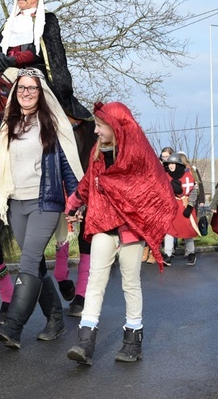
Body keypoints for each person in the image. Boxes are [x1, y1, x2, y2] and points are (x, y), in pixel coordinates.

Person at [0, 68, 84, 349]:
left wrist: (76, 199)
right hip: (14, 203)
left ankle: (13, 327)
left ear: (41, 92)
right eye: (22, 87)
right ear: (15, 91)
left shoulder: (52, 123)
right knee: (35, 266)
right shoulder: (7, 124)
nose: (26, 92)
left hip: (45, 202)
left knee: (28, 262)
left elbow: (67, 165)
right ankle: (56, 319)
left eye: (32, 88)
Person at [64, 102, 174, 366]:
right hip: (103, 224)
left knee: (130, 284)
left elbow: (152, 188)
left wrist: (146, 221)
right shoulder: (97, 154)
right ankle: (85, 342)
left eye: (100, 126)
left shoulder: (139, 155)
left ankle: (132, 339)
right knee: (95, 281)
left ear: (115, 126)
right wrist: (74, 202)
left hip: (130, 230)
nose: (96, 131)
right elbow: (89, 181)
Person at [0, 0, 90, 120]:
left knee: (48, 105)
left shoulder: (47, 20)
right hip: (5, 70)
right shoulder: (10, 22)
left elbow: (40, 51)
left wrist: (14, 60)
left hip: (35, 71)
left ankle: (61, 136)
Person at [162, 153, 200, 266]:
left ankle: (191, 253)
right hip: (171, 206)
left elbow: (194, 191)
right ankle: (167, 255)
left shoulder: (188, 176)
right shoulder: (165, 176)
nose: (171, 166)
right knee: (169, 231)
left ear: (178, 164)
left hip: (185, 206)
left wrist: (190, 206)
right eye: (169, 164)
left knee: (187, 231)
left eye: (173, 163)